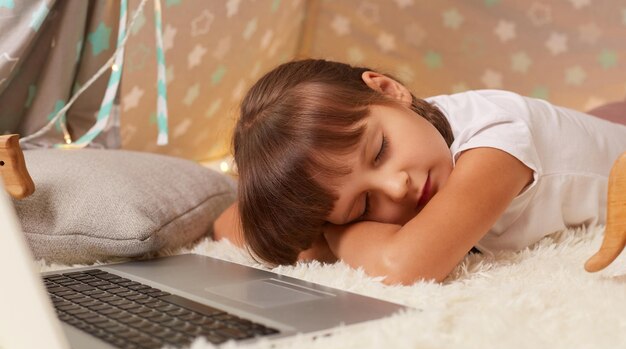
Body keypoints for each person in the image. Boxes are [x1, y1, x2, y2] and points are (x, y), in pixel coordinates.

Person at [213, 59, 626, 285]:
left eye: (380, 152)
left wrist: (333, 232)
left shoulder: (497, 140)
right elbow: (228, 226)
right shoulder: (405, 129)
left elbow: (403, 264)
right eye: (364, 205)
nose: (398, 187)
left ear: (389, 91)